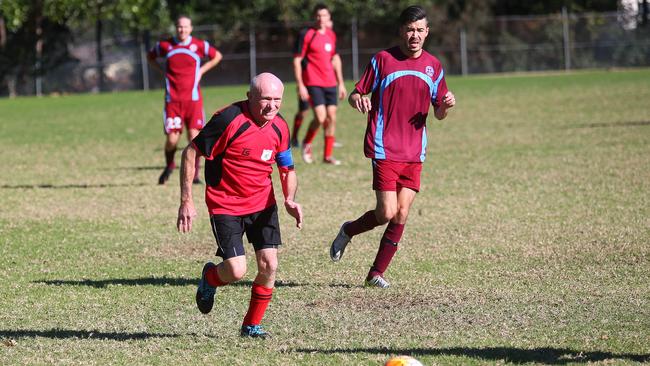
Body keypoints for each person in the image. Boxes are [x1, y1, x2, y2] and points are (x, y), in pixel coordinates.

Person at [329, 5, 456, 288]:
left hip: (414, 151)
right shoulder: (383, 60)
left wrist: (445, 106)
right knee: (386, 212)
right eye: (410, 30)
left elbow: (438, 111)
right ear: (401, 31)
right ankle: (348, 229)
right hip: (384, 147)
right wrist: (359, 100)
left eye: (420, 30)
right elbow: (355, 93)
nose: (414, 35)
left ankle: (376, 273)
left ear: (427, 33)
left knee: (402, 213)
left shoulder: (433, 66)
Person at [177, 72, 303, 339]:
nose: (271, 106)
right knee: (236, 270)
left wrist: (289, 198)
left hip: (262, 203)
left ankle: (250, 326)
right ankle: (210, 278)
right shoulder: (228, 119)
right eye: (265, 99)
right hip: (225, 204)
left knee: (269, 265)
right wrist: (186, 200)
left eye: (277, 99)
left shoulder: (280, 126)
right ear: (250, 97)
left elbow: (287, 168)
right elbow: (190, 151)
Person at [147, 15, 222, 185]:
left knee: (194, 137)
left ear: (191, 28)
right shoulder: (165, 46)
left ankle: (194, 175)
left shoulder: (198, 45)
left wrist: (202, 70)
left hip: (193, 101)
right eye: (180, 27)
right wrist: (162, 70)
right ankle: (170, 164)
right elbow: (150, 57)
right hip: (172, 100)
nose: (183, 30)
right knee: (172, 139)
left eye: (186, 27)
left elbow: (217, 56)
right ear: (175, 27)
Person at [293, 4, 346, 165]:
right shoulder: (307, 34)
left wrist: (341, 83)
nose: (320, 18)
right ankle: (306, 143)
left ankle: (327, 156)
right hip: (313, 82)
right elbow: (297, 59)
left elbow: (335, 59)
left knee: (331, 118)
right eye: (318, 15)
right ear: (314, 17)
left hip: (330, 82)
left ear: (329, 18)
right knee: (321, 117)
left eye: (324, 15)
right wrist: (300, 84)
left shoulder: (331, 35)